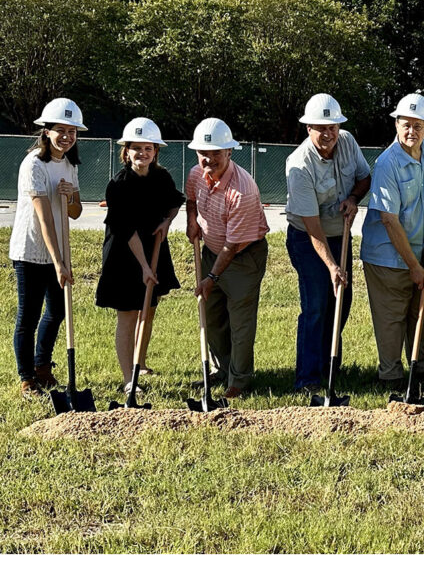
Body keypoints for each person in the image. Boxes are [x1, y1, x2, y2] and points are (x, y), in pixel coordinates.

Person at [361, 94, 424, 388]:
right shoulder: (388, 164)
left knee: (420, 309)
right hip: (388, 255)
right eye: (406, 124)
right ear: (396, 124)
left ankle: (421, 365)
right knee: (392, 316)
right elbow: (389, 220)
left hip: (422, 249)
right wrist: (413, 266)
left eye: (418, 125)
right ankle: (390, 375)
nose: (412, 131)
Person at [285, 94, 371, 392]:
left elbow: (364, 178)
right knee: (317, 304)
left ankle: (330, 366)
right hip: (307, 239)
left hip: (340, 235)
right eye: (321, 127)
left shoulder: (347, 141)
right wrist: (333, 265)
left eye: (332, 126)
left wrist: (353, 198)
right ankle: (307, 379)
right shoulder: (299, 165)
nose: (328, 133)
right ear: (308, 128)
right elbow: (312, 226)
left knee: (341, 302)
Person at [95, 118, 184, 391]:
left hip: (154, 247)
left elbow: (174, 202)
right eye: (136, 148)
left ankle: (141, 363)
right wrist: (145, 267)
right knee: (129, 313)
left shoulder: (161, 177)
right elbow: (127, 230)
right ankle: (128, 379)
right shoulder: (119, 185)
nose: (142, 153)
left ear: (155, 151)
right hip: (124, 254)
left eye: (148, 148)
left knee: (149, 308)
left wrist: (167, 222)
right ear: (126, 151)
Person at [185, 118, 270, 399]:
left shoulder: (242, 190)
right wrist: (191, 220)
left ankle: (239, 381)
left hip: (244, 257)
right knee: (211, 315)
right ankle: (222, 369)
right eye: (203, 153)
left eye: (216, 154)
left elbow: (233, 245)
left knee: (240, 321)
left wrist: (211, 278)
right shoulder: (196, 173)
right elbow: (191, 199)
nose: (208, 159)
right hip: (211, 250)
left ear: (229, 152)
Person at [9, 99, 85, 399]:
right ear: (46, 131)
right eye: (60, 130)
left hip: (58, 251)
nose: (66, 136)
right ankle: (27, 378)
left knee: (56, 312)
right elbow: (43, 218)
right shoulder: (33, 164)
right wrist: (58, 263)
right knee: (28, 316)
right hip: (30, 251)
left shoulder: (70, 164)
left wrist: (70, 197)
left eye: (72, 131)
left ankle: (43, 367)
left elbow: (76, 212)